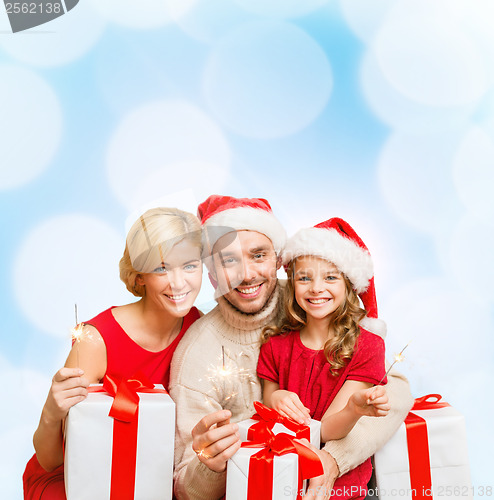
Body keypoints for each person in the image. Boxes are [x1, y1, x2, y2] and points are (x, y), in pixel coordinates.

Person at [169, 195, 414, 500]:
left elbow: (396, 390)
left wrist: (333, 460)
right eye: (229, 260)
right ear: (212, 272)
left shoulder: (313, 301)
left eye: (258, 255)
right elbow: (185, 488)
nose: (247, 275)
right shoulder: (198, 353)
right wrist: (211, 465)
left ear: (277, 259)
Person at [23, 207, 203, 500]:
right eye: (161, 268)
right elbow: (50, 460)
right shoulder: (96, 340)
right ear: (139, 276)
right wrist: (51, 413)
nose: (179, 282)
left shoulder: (200, 328)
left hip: (149, 473)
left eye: (190, 266)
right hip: (80, 475)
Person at [258, 217, 390, 500]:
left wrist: (354, 410)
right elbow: (266, 405)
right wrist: (276, 397)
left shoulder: (368, 347)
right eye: (305, 278)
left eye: (330, 277)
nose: (316, 288)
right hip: (280, 479)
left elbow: (328, 431)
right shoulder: (275, 346)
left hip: (341, 488)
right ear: (293, 284)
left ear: (349, 285)